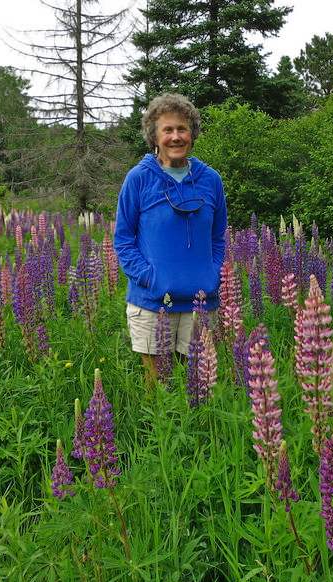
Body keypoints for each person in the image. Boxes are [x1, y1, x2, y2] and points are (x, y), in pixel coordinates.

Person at [113, 92, 228, 383]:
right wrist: (150, 279)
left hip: (200, 303)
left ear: (192, 134)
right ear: (154, 136)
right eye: (168, 130)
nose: (176, 137)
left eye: (182, 129)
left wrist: (212, 274)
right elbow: (123, 240)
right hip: (152, 304)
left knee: (199, 387)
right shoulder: (138, 178)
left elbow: (218, 237)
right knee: (158, 390)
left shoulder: (210, 179)